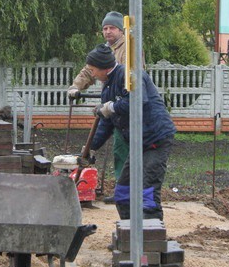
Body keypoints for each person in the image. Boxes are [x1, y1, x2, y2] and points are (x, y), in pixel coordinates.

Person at [85, 43, 175, 220]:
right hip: (138, 144)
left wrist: (111, 107)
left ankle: (151, 238)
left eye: (93, 69)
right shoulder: (108, 87)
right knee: (123, 192)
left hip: (155, 138)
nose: (92, 74)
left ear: (104, 67)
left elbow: (137, 100)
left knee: (148, 189)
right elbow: (106, 124)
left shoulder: (130, 75)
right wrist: (90, 148)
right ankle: (128, 233)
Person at [67, 11, 129, 181]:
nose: (108, 31)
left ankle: (124, 191)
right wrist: (75, 86)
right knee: (113, 140)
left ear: (121, 31)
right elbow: (89, 70)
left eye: (112, 28)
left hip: (124, 103)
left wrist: (111, 103)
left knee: (122, 147)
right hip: (112, 100)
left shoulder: (130, 48)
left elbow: (127, 77)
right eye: (105, 28)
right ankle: (122, 189)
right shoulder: (105, 49)